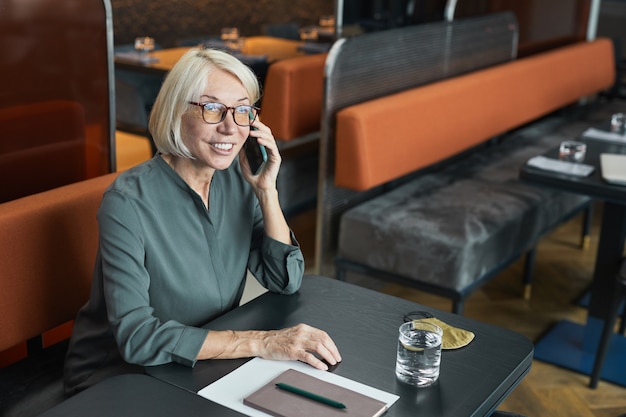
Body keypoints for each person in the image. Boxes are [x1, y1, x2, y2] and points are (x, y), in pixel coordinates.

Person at [63, 48, 341, 395]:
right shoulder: (127, 203)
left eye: (242, 110)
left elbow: (285, 279)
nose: (230, 127)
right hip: (121, 376)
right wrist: (260, 341)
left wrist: (267, 192)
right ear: (177, 112)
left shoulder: (239, 180)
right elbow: (137, 339)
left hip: (202, 364)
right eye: (212, 109)